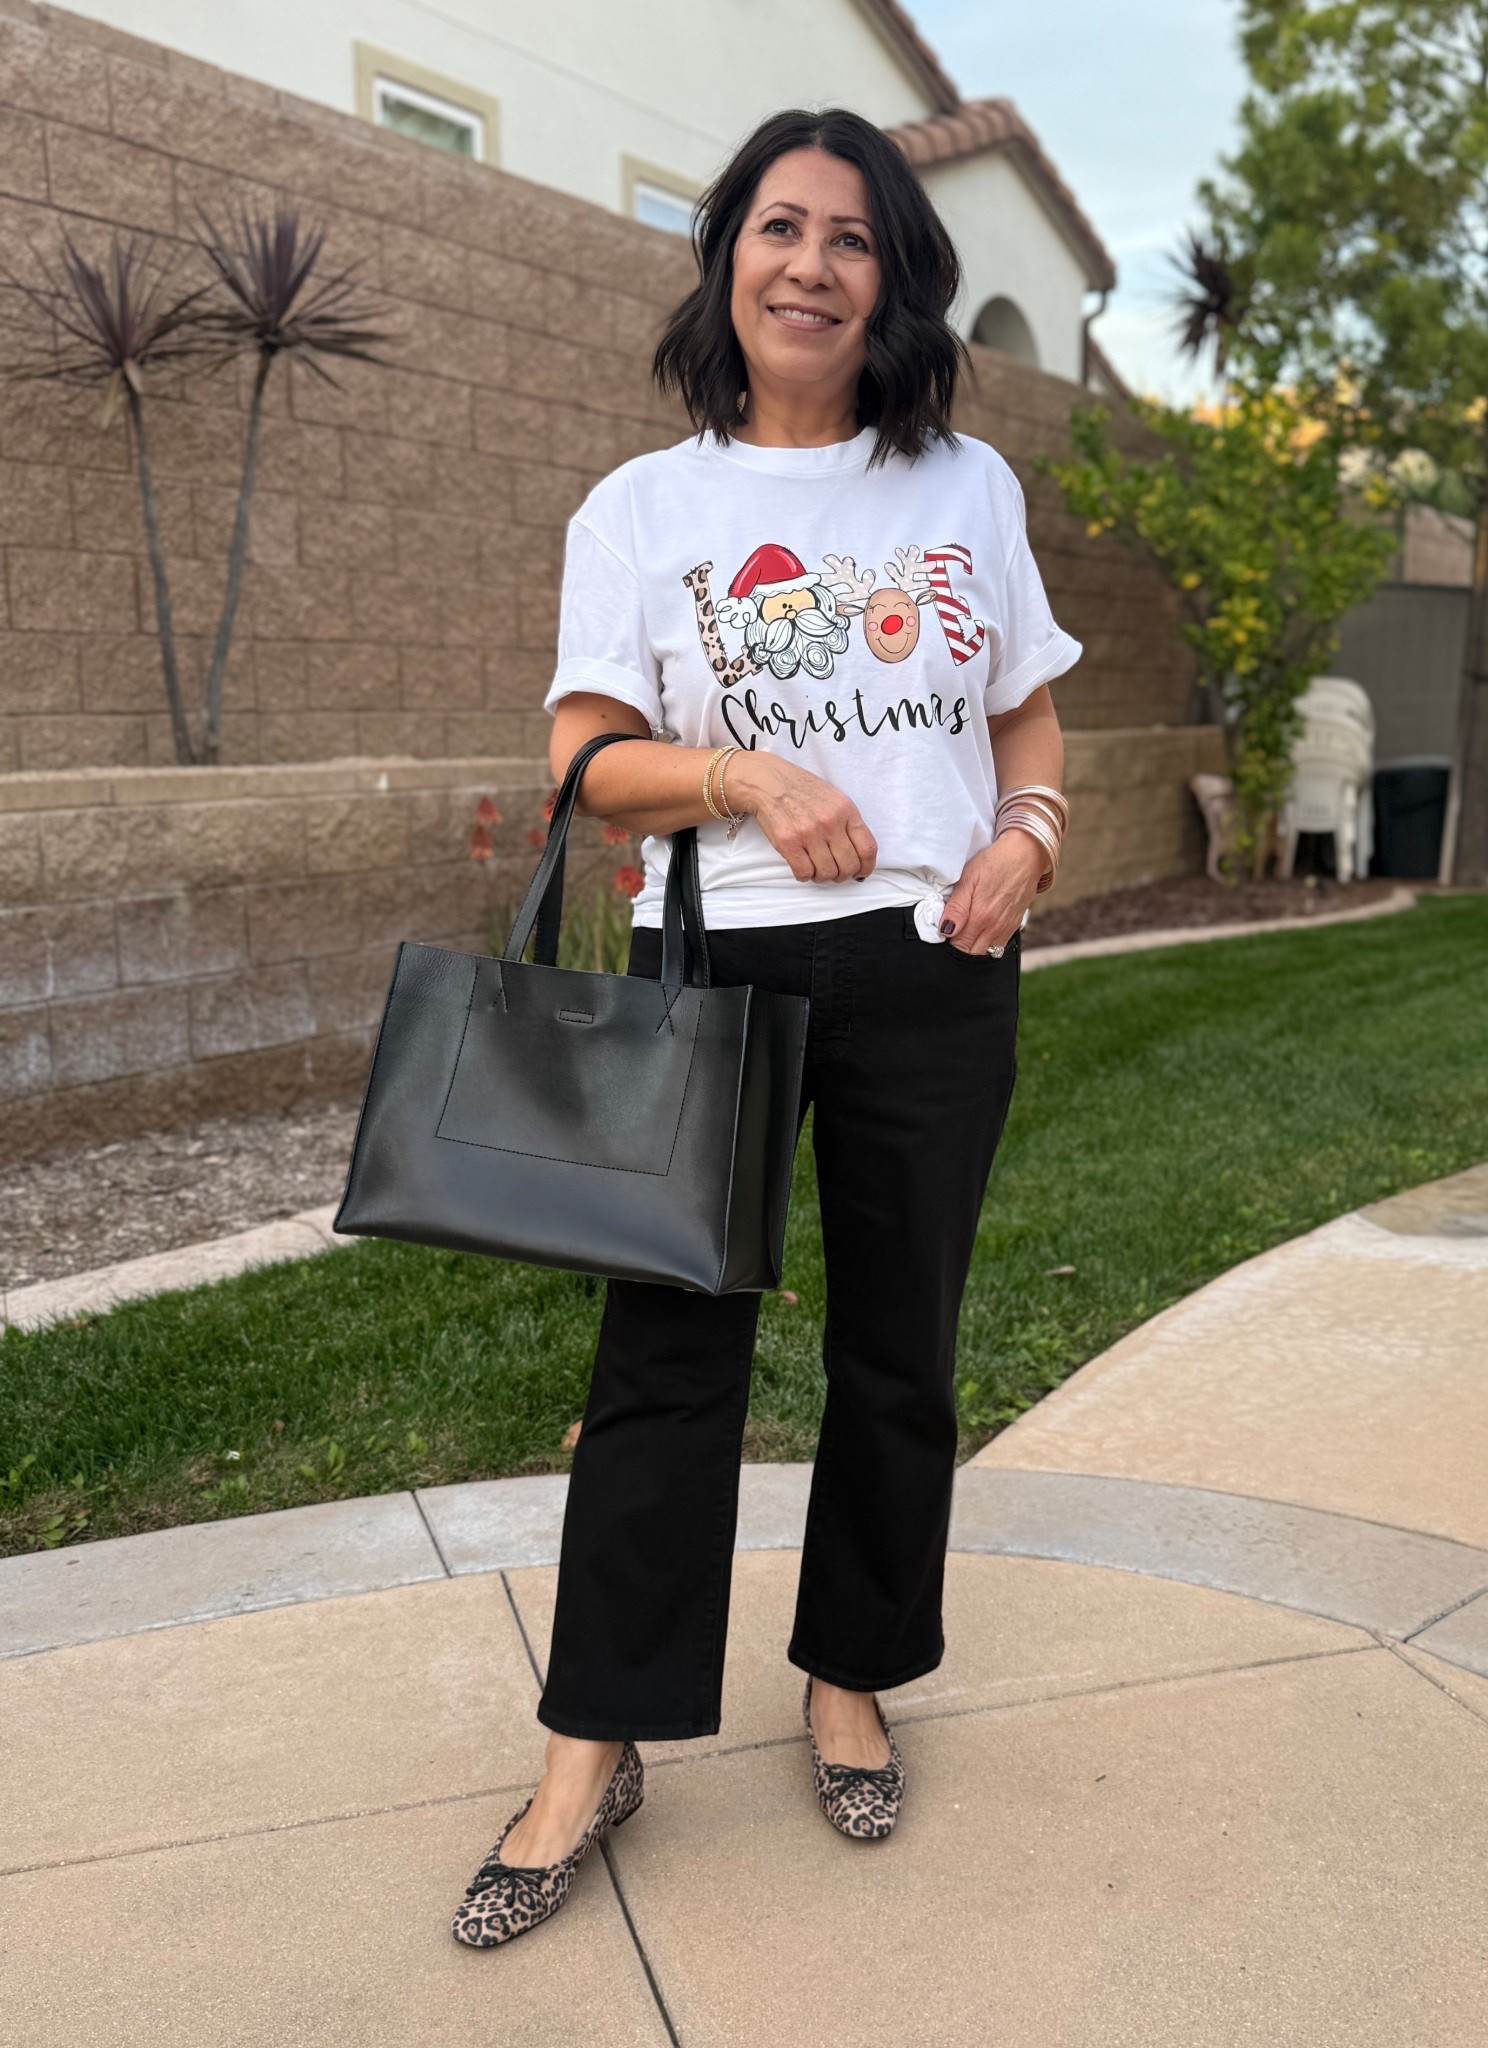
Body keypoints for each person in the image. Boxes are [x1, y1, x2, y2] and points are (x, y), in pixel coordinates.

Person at [452, 105, 1077, 1949]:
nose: (811, 265)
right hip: (715, 971)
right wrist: (740, 776)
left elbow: (1025, 724)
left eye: (852, 238)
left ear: (894, 278)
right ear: (728, 255)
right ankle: (593, 1745)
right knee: (664, 1366)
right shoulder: (644, 507)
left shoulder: (964, 488)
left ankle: (851, 1677)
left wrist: (1026, 844)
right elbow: (584, 760)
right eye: (780, 228)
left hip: (934, 978)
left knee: (905, 1350)